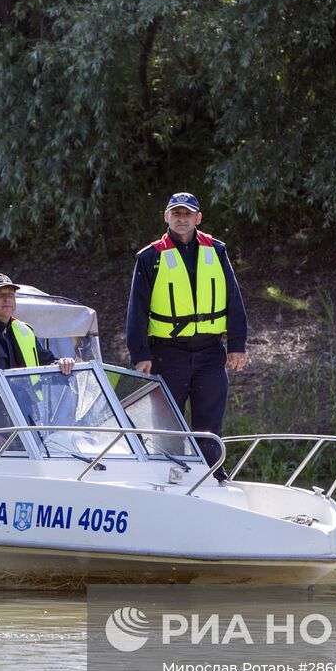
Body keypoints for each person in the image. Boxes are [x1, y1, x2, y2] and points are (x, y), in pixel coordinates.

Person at [125, 192, 248, 481]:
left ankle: (213, 478)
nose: (182, 219)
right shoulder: (150, 257)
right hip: (167, 353)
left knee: (209, 425)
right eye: (176, 213)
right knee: (168, 426)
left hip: (209, 352)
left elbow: (234, 299)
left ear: (198, 218)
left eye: (187, 214)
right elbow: (137, 309)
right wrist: (139, 354)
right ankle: (168, 479)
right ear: (166, 217)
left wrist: (237, 345)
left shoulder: (216, 251)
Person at [0, 273, 75, 390]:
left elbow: (47, 363)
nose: (7, 299)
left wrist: (62, 364)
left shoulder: (25, 332)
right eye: (0, 295)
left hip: (26, 410)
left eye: (10, 294)